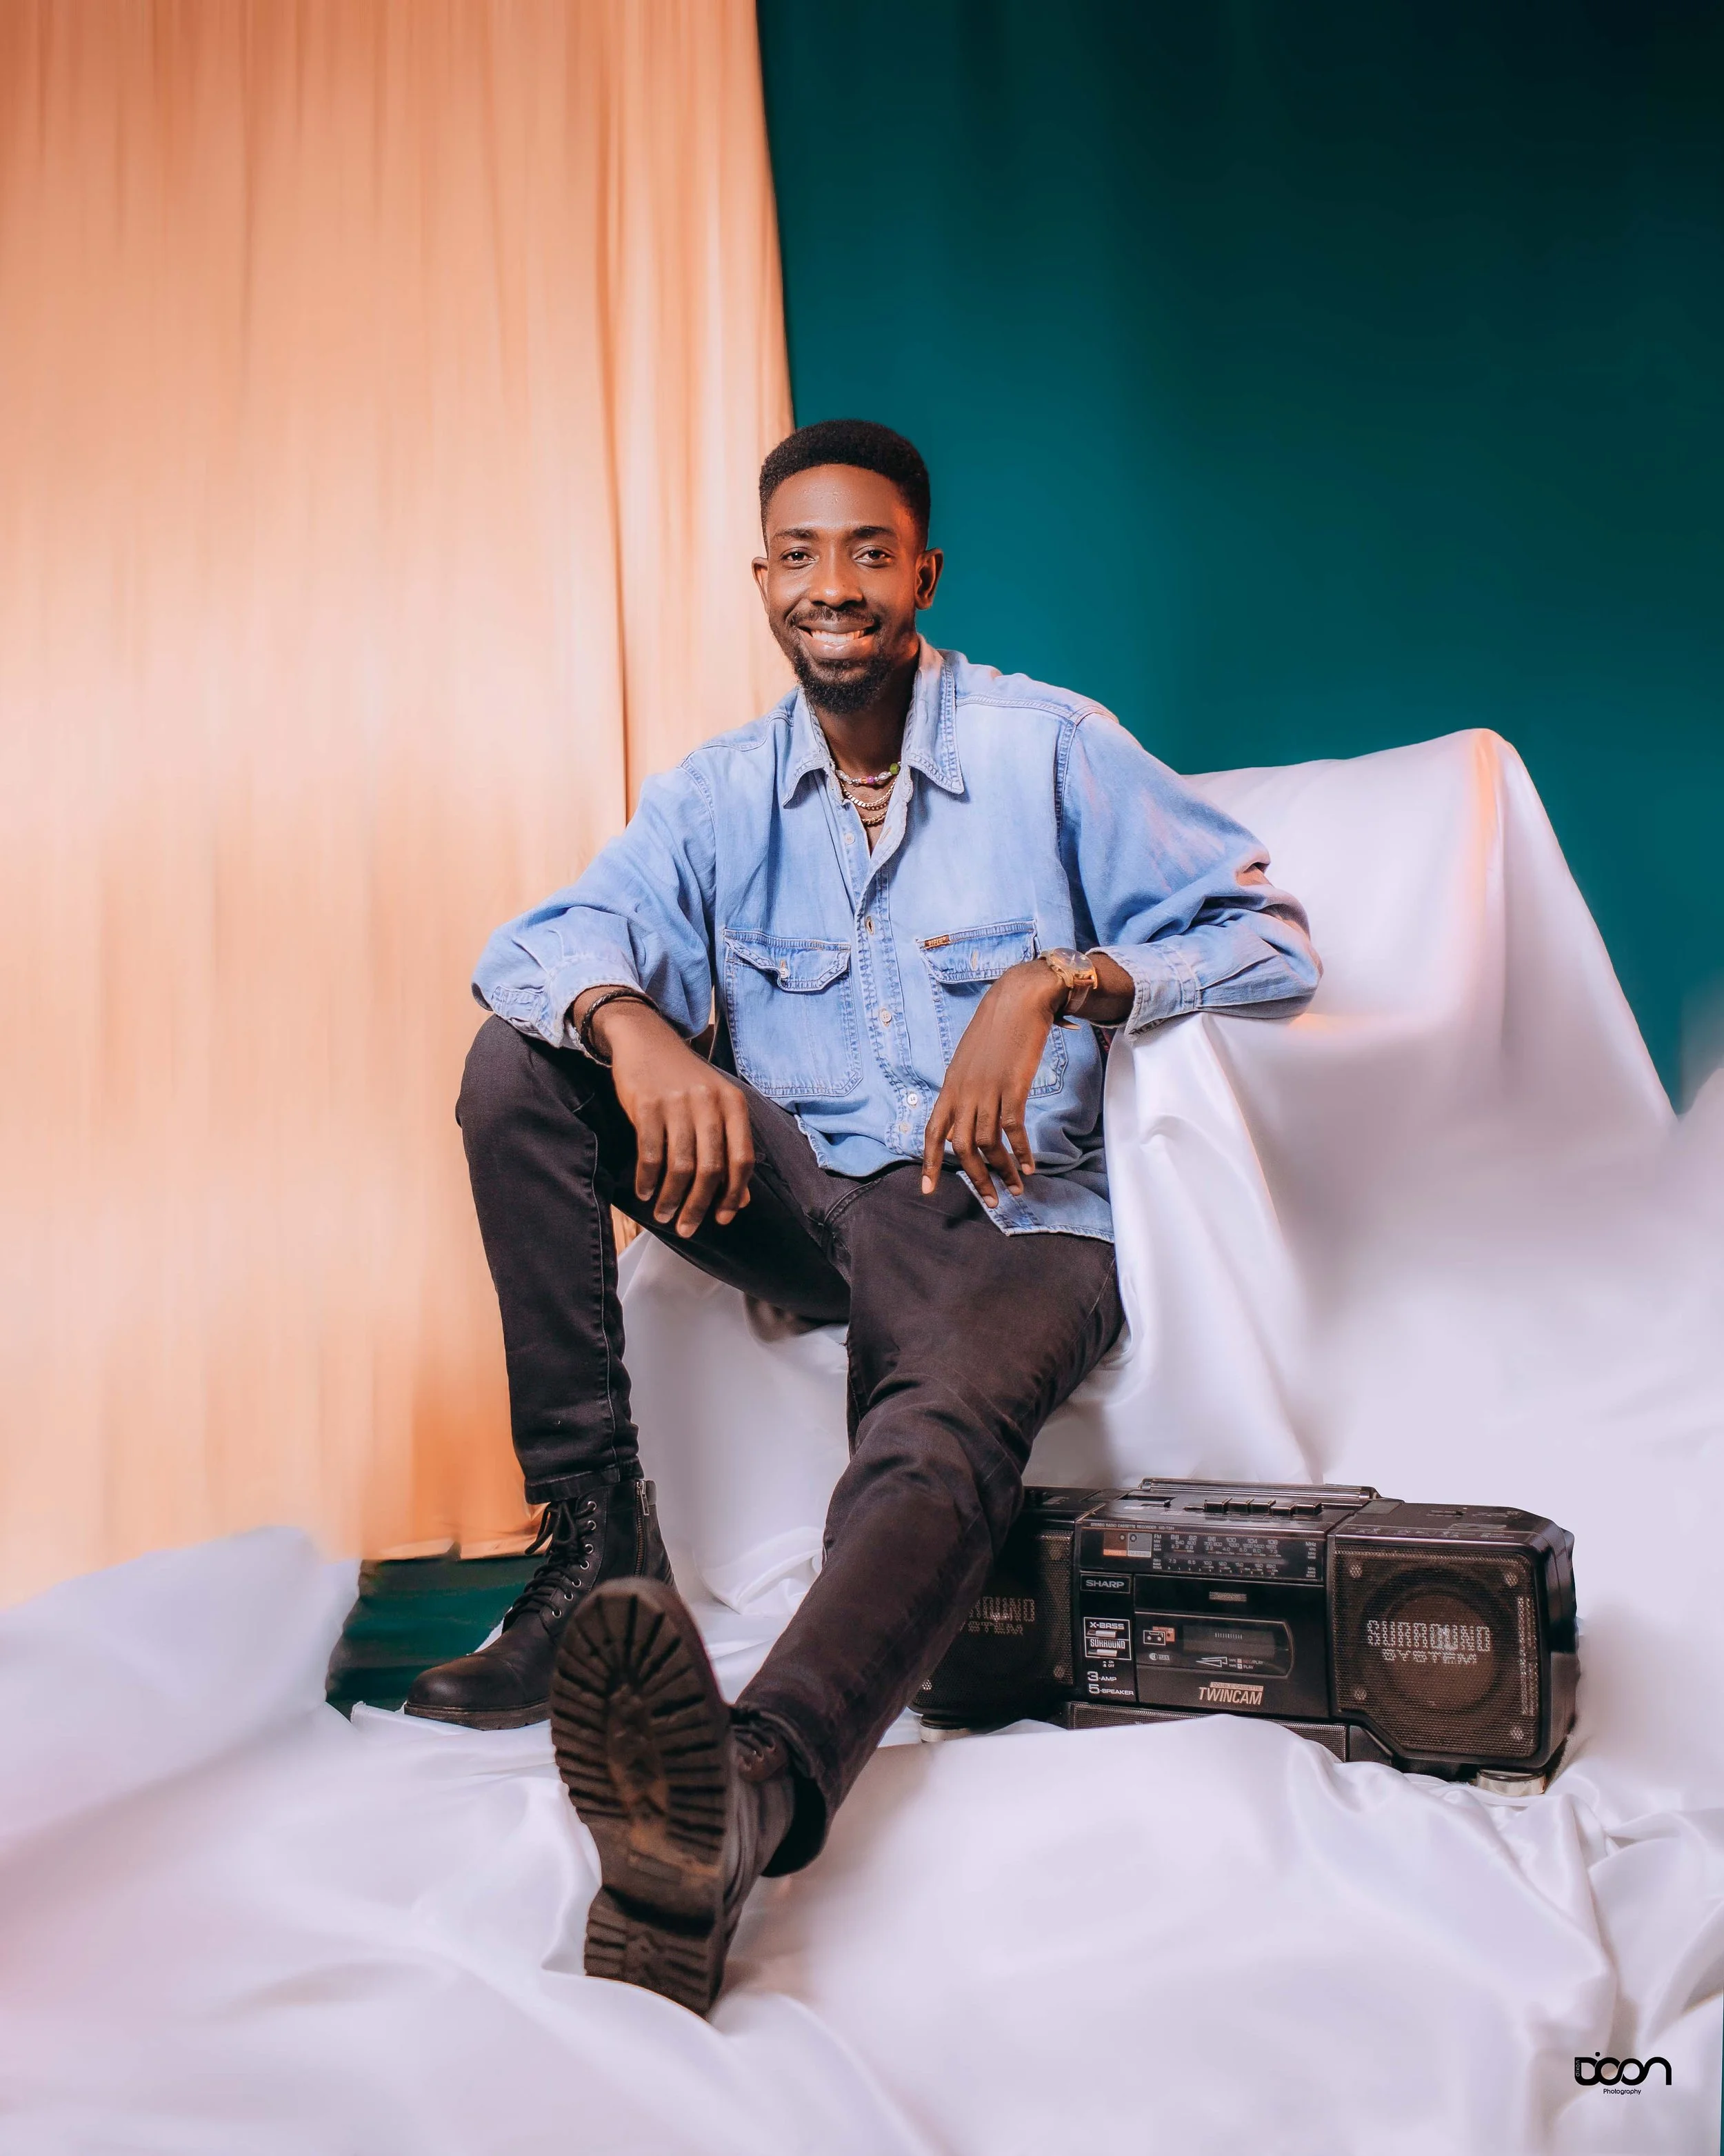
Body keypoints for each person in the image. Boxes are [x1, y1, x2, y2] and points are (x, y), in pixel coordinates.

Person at [405, 418, 1320, 2012]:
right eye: (801, 555)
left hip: (1009, 1220)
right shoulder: (715, 797)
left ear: (921, 573)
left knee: (939, 1431)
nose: (834, 586)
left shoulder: (1049, 750)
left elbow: (1270, 941)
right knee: (520, 1063)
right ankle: (593, 1550)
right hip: (801, 1197)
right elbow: (539, 946)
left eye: (868, 553)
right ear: (762, 578)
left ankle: (743, 1790)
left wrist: (1059, 980)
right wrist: (634, 1028)